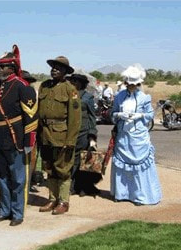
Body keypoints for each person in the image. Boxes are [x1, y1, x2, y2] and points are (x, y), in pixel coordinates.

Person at [0, 45, 38, 226]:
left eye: (4, 66)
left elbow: (31, 116)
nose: (0, 70)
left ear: (13, 68)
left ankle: (17, 213)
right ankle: (4, 209)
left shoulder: (23, 87)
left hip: (15, 138)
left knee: (17, 178)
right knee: (2, 177)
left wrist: (29, 140)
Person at [110, 64, 161, 205]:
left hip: (138, 136)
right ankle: (122, 193)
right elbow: (112, 114)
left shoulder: (144, 97)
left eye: (134, 84)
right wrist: (119, 114)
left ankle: (141, 196)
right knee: (122, 165)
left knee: (139, 165)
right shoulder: (119, 96)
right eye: (129, 84)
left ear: (138, 84)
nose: (131, 86)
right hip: (123, 136)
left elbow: (150, 114)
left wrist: (139, 115)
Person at [37, 56, 81, 215]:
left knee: (62, 169)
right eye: (53, 67)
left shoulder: (70, 89)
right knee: (48, 168)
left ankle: (63, 201)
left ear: (65, 72)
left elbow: (75, 118)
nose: (54, 69)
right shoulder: (44, 86)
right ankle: (52, 198)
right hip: (45, 134)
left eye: (59, 68)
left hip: (61, 135)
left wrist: (70, 140)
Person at [66, 74, 100, 197]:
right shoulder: (69, 95)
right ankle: (73, 186)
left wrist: (92, 135)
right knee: (71, 160)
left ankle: (82, 187)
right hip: (71, 133)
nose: (72, 83)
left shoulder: (87, 97)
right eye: (72, 80)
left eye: (75, 81)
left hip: (84, 133)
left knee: (83, 161)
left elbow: (92, 117)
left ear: (81, 83)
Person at [22, 70, 40, 194]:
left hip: (34, 129)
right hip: (19, 130)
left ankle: (28, 183)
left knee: (32, 157)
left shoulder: (34, 92)